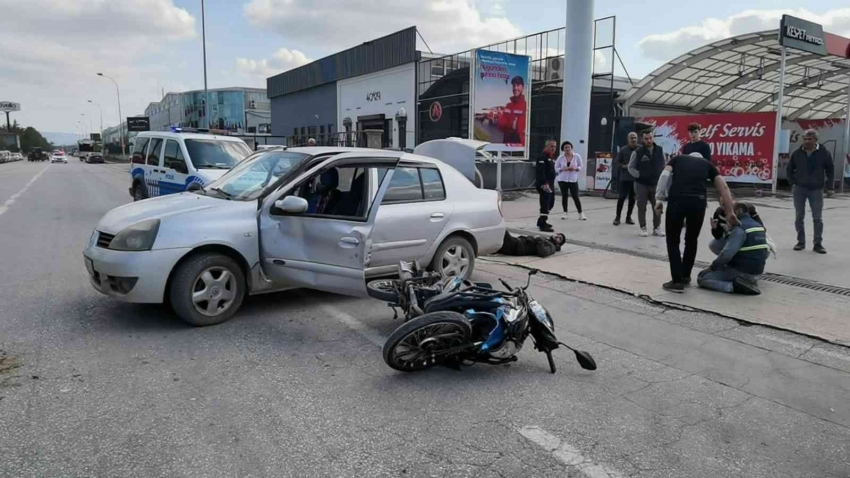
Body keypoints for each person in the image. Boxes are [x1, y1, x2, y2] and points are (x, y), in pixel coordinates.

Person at [655, 152, 737, 293]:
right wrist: (730, 212)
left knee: (673, 240)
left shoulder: (678, 159)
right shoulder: (707, 164)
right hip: (698, 202)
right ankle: (686, 275)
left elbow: (664, 176)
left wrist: (659, 199)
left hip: (677, 200)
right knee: (692, 240)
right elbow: (723, 187)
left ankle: (677, 281)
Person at [697, 202, 769, 295]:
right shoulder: (758, 226)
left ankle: (734, 287)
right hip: (758, 272)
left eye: (727, 214)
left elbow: (726, 255)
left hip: (742, 272)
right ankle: (748, 281)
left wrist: (712, 267)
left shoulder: (740, 228)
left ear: (737, 212)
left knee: (702, 278)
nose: (726, 217)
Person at [787, 129, 835, 254]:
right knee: (799, 216)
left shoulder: (824, 152)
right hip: (800, 189)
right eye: (805, 139)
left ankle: (818, 244)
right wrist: (793, 183)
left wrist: (830, 187)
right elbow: (789, 169)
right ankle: (800, 242)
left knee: (817, 218)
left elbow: (830, 170)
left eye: (809, 139)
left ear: (815, 140)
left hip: (816, 189)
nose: (807, 141)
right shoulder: (797, 153)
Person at [628, 130, 666, 237]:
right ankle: (643, 227)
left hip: (656, 184)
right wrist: (639, 175)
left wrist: (663, 178)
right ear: (642, 139)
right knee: (642, 206)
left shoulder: (660, 150)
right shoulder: (637, 152)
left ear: (653, 138)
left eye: (650, 138)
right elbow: (631, 168)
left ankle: (657, 228)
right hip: (641, 184)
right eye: (646, 139)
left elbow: (664, 164)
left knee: (658, 206)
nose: (649, 140)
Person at [555, 141, 586, 220]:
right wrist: (562, 169)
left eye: (569, 147)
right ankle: (565, 213)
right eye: (565, 147)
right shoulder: (561, 157)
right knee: (564, 196)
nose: (567, 149)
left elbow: (581, 165)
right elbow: (556, 167)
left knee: (575, 196)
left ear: (571, 148)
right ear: (563, 149)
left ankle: (581, 213)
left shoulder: (577, 156)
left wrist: (576, 169)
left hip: (573, 179)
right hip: (562, 179)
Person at [613, 132, 638, 225]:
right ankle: (617, 217)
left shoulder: (640, 149)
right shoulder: (623, 150)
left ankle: (628, 217)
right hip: (625, 179)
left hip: (635, 179)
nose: (634, 140)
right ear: (628, 139)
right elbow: (617, 163)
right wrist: (624, 166)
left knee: (632, 199)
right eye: (632, 138)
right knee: (621, 198)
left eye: (635, 138)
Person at [496, 76, 527, 145]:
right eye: (514, 85)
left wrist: (509, 125)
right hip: (506, 144)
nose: (515, 88)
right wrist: (511, 125)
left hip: (519, 146)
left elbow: (520, 128)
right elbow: (500, 125)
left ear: (523, 87)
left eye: (518, 85)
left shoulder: (526, 106)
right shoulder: (508, 105)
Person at [535, 140, 558, 232]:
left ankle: (541, 220)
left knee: (551, 203)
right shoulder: (542, 157)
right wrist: (544, 183)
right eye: (551, 146)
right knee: (545, 203)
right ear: (546, 146)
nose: (553, 148)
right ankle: (542, 224)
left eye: (555, 146)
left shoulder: (550, 157)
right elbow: (541, 172)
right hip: (544, 184)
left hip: (550, 184)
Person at [498, 231, 566, 257]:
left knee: (501, 230)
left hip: (518, 246)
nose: (557, 236)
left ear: (558, 245)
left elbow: (543, 253)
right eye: (558, 234)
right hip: (517, 244)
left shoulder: (552, 246)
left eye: (560, 238)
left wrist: (538, 239)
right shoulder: (548, 240)